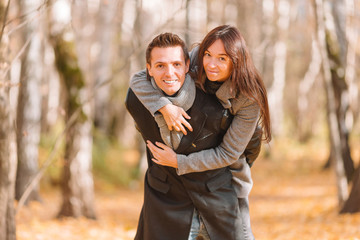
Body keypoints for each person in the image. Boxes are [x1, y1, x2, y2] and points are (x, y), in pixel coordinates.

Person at [130, 25, 271, 240]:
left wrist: (179, 162)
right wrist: (164, 107)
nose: (212, 64)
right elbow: (139, 79)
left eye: (222, 58)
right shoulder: (194, 59)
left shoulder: (248, 98)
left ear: (237, 61)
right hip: (173, 194)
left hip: (228, 177)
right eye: (208, 55)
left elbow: (228, 154)